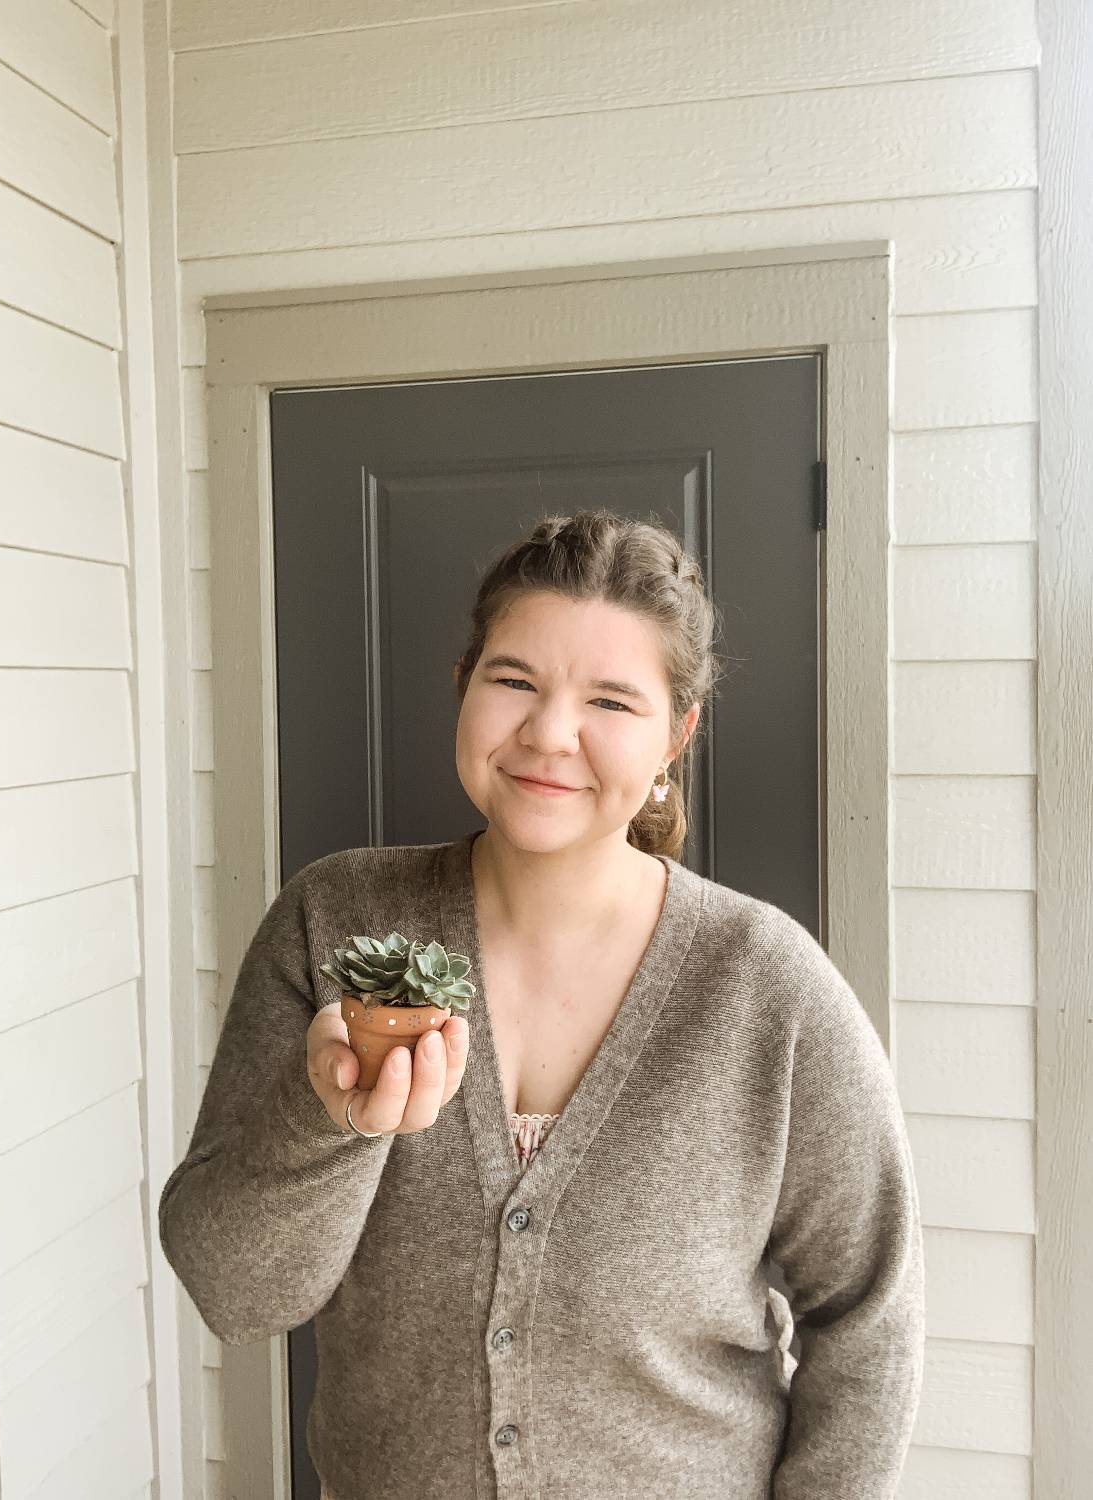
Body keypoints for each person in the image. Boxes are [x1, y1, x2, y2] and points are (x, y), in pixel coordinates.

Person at [159, 508, 925, 1500]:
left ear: (676, 736)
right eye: (513, 680)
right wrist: (327, 1121)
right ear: (464, 687)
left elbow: (871, 1313)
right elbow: (237, 1291)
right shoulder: (337, 920)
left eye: (611, 701)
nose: (549, 734)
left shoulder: (764, 985)